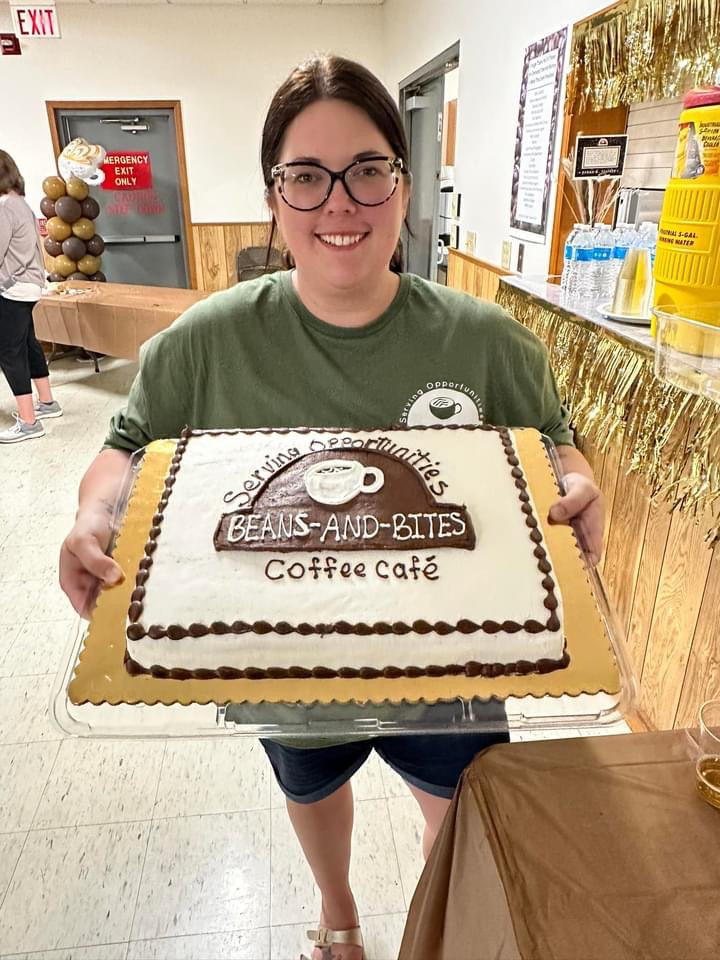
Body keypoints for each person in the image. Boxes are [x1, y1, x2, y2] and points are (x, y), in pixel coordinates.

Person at [59, 56, 604, 960]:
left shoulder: (487, 342)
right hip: (288, 668)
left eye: (368, 169)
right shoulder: (208, 340)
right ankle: (339, 917)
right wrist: (92, 515)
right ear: (274, 196)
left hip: (452, 672)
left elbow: (551, 446)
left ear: (403, 179)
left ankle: (441, 928)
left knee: (461, 812)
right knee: (311, 789)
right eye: (305, 177)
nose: (339, 203)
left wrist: (579, 489)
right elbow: (128, 447)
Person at [0, 150, 62, 443]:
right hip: (29, 287)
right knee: (27, 343)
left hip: (11, 288)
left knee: (10, 351)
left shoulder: (3, 206)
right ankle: (47, 402)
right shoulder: (20, 203)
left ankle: (28, 422)